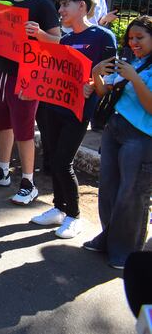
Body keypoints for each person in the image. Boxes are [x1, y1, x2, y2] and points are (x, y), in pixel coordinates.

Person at [31, 0, 116, 239]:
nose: (60, 11)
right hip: (54, 107)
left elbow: (111, 78)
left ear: (82, 6)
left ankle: (74, 216)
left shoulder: (103, 37)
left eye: (65, 5)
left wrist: (93, 83)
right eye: (60, 6)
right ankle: (58, 207)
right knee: (52, 158)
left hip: (79, 111)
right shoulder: (66, 40)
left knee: (62, 161)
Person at [0, 0, 61, 205]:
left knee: (24, 129)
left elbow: (57, 41)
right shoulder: (4, 3)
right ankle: (2, 171)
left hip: (26, 76)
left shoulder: (43, 5)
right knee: (2, 124)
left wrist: (40, 34)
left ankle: (28, 182)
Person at [85, 16, 152, 270]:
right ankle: (108, 237)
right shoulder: (131, 61)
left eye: (140, 38)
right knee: (109, 187)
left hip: (142, 135)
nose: (134, 43)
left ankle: (126, 250)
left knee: (132, 193)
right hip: (115, 129)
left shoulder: (139, 68)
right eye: (131, 38)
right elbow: (104, 92)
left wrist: (134, 78)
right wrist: (97, 74)